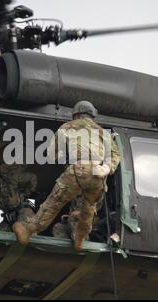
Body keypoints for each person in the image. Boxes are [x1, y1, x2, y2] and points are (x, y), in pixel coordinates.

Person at [13, 100, 121, 251]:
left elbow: (51, 155)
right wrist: (107, 168)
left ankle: (28, 231)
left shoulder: (68, 126)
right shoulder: (103, 132)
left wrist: (62, 156)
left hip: (79, 169)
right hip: (98, 174)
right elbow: (116, 154)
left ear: (76, 114)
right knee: (89, 208)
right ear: (92, 115)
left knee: (54, 202)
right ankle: (80, 238)